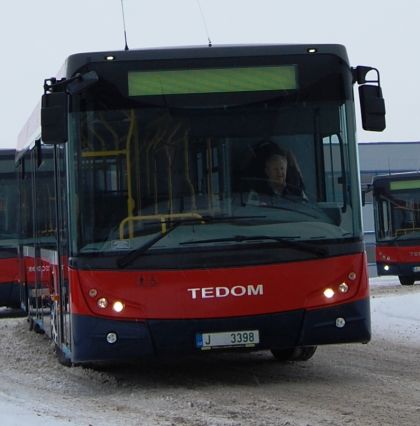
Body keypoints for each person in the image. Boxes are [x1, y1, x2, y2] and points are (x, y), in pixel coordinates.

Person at [246, 141, 307, 205]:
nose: (280, 172)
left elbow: (304, 205)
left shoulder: (296, 189)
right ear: (267, 171)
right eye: (275, 169)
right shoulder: (258, 192)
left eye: (282, 168)